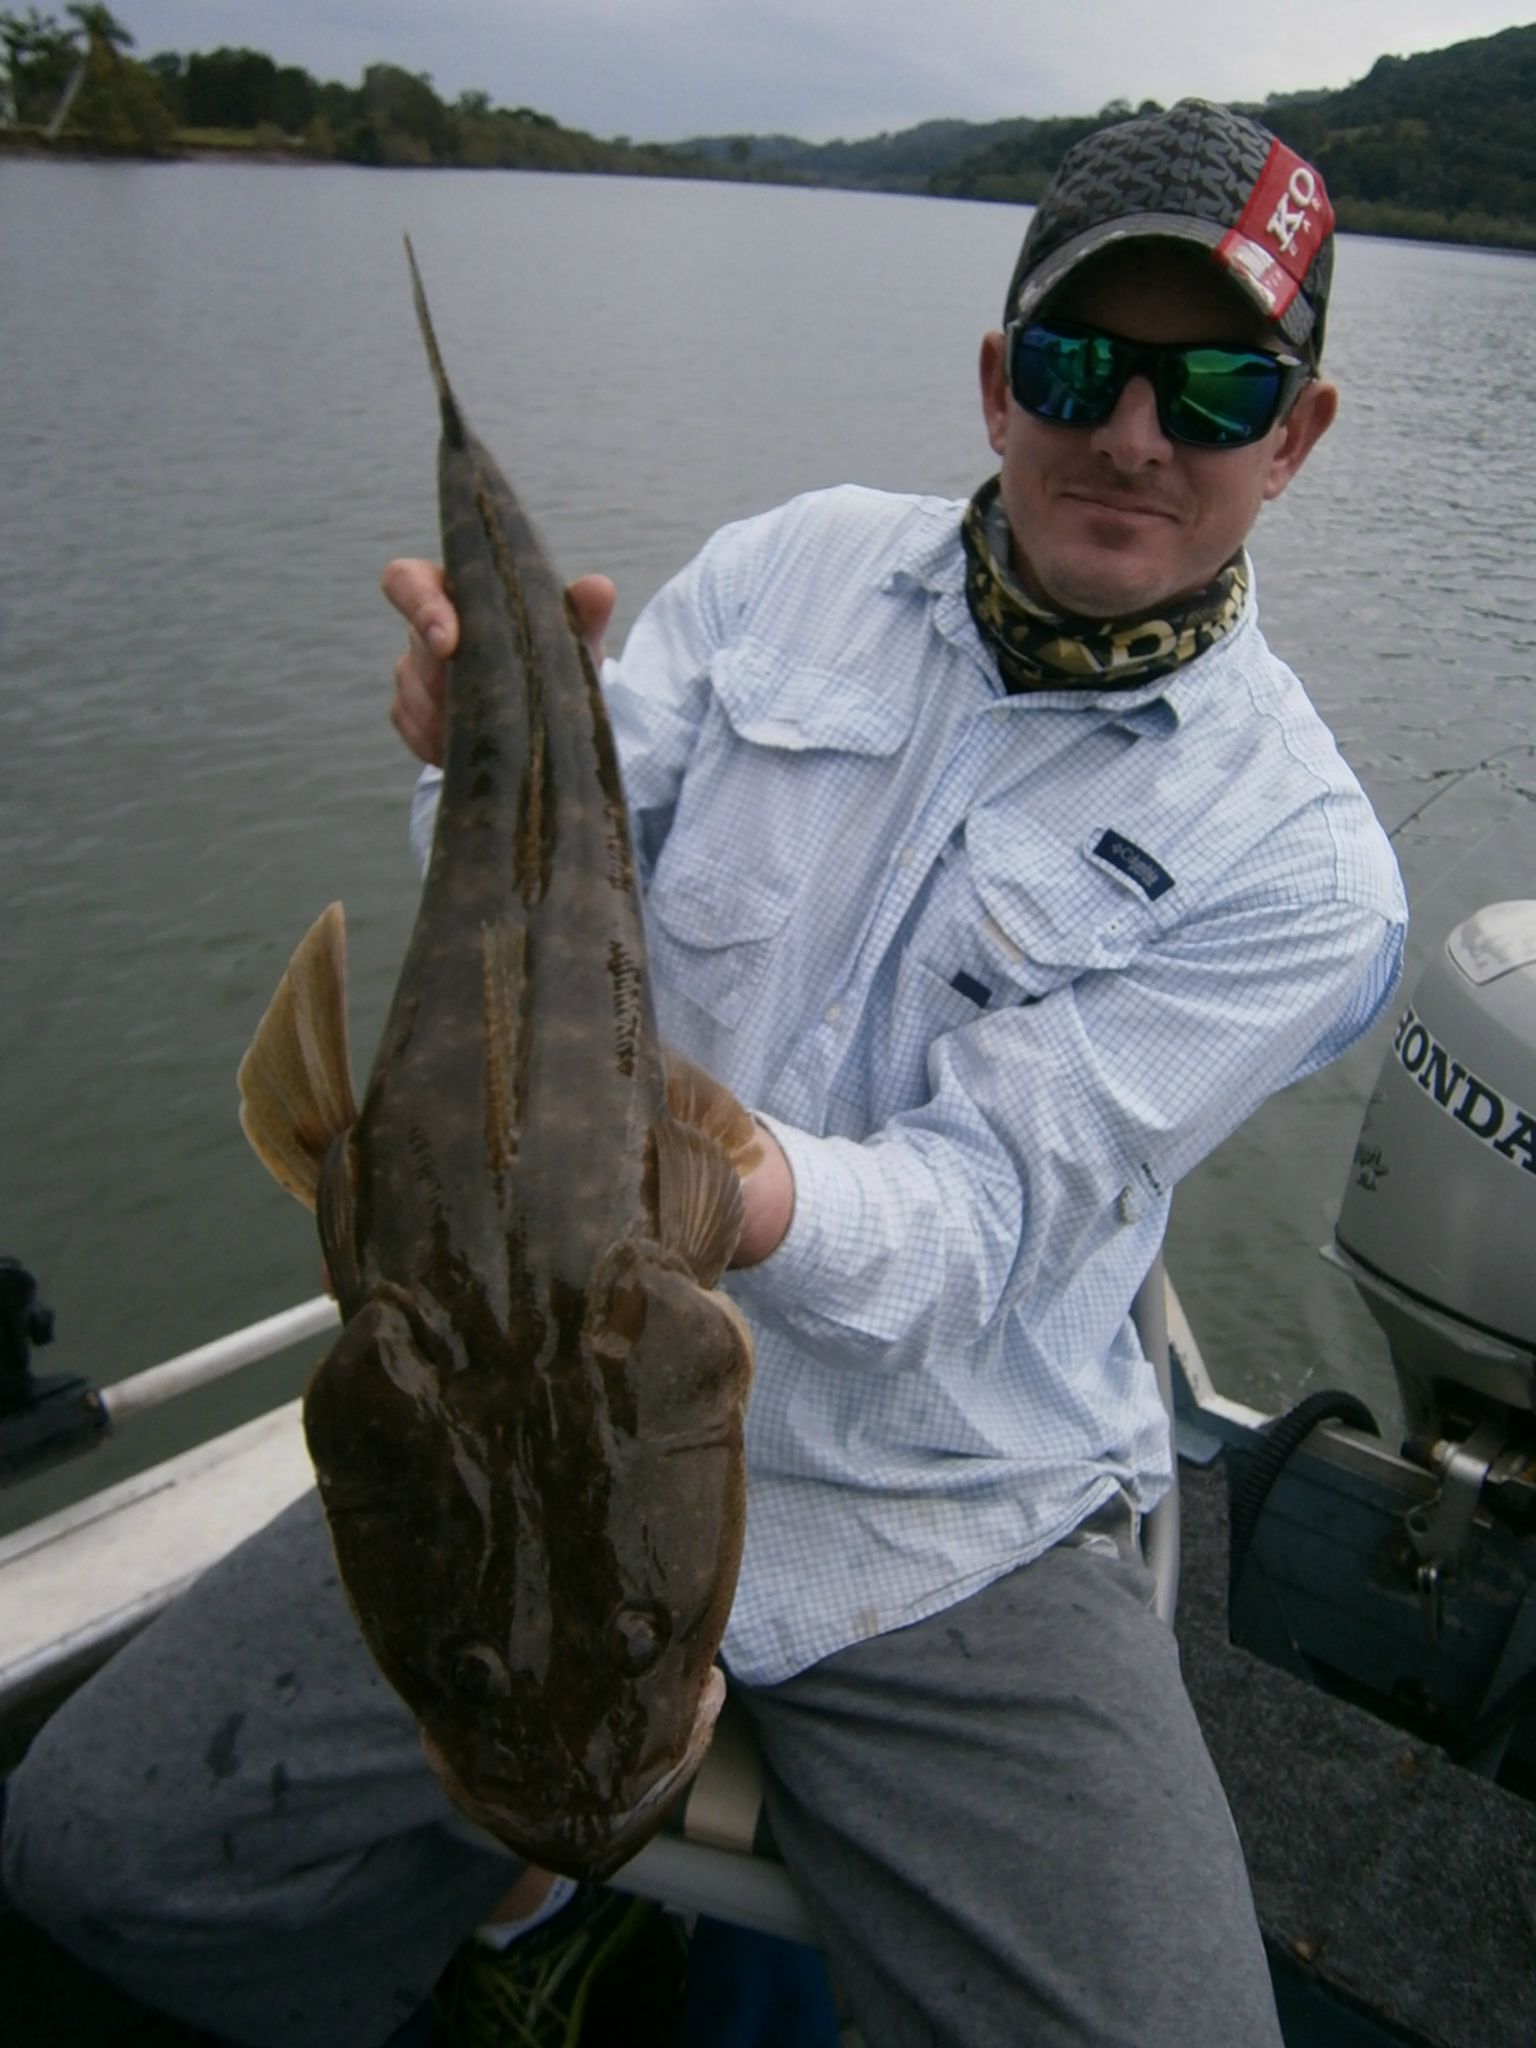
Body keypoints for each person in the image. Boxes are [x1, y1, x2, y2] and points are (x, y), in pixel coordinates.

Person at [3, 98, 1405, 2048]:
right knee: (102, 1852)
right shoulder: (784, 576)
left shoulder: (1305, 863)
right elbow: (533, 926)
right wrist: (473, 744)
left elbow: (991, 1210)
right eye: (1084, 363)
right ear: (1002, 382)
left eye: (1219, 384)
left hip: (950, 1504)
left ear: (1300, 430)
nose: (1137, 433)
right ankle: (488, 1943)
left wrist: (740, 1197)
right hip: (531, 1404)